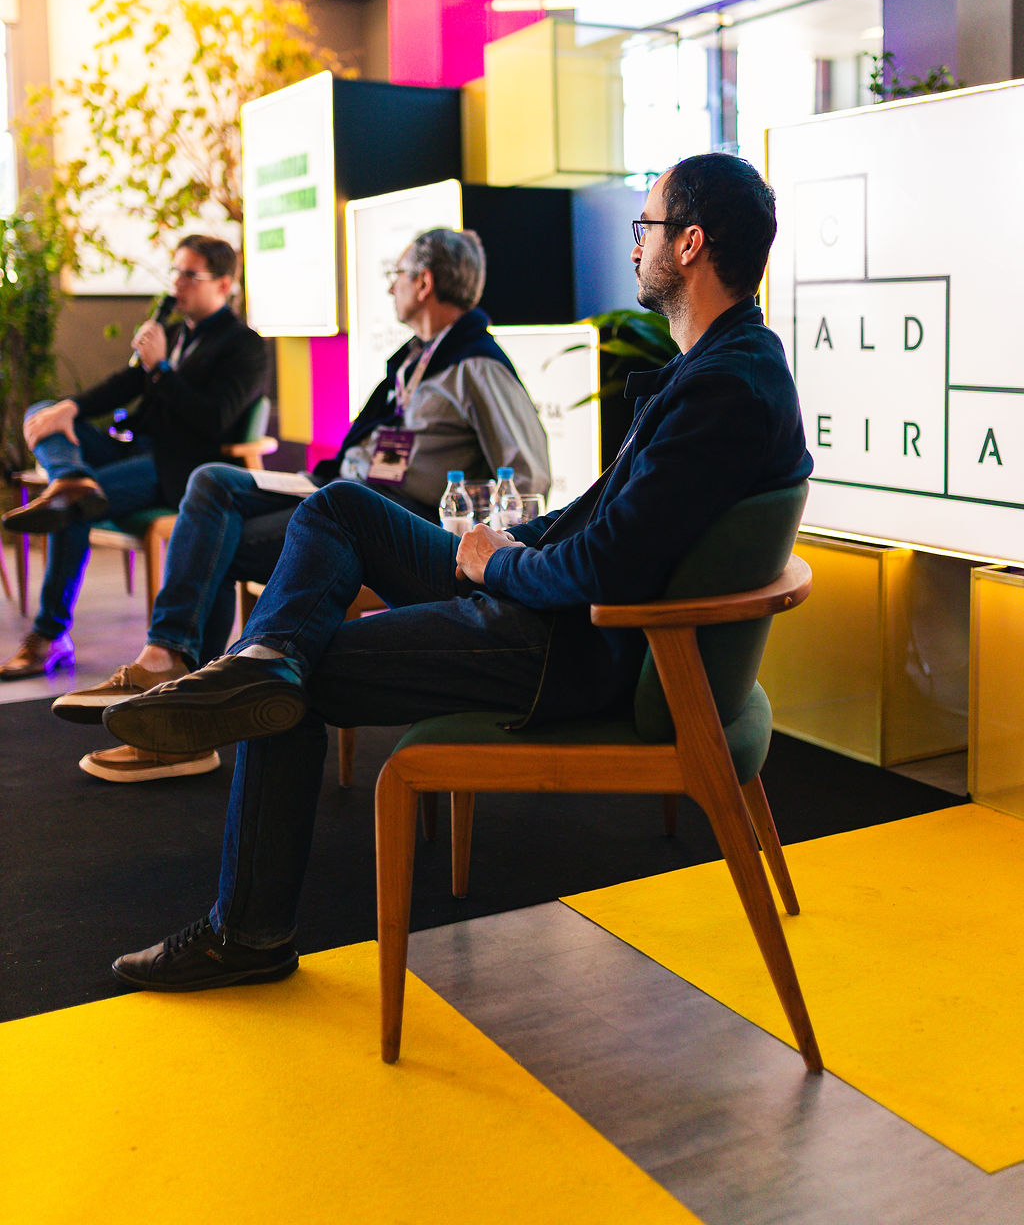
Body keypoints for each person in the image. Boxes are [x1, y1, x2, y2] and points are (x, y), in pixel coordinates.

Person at [102, 152, 812, 991]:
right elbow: (602, 523)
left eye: (646, 227)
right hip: (546, 604)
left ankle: (246, 927)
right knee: (340, 510)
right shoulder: (723, 366)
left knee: (299, 679)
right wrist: (502, 546)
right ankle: (260, 660)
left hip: (564, 642)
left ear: (689, 244)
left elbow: (611, 567)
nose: (634, 246)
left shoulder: (726, 389)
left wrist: (504, 566)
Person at [55, 226, 550, 782]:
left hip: (390, 518)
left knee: (212, 539)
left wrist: (477, 541)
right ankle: (170, 667)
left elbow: (526, 474)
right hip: (333, 489)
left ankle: (178, 709)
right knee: (211, 482)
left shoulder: (476, 364)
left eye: (397, 275)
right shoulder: (413, 361)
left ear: (424, 283)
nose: (390, 287)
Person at [1, 235, 266, 682]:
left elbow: (214, 418)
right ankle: (71, 478)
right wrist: (71, 408)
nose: (176, 284)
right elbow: (124, 385)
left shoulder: (245, 345)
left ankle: (49, 636)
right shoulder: (176, 333)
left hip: (180, 468)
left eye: (190, 275)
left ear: (224, 285)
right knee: (44, 414)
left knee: (75, 509)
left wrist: (161, 369)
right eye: (176, 272)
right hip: (134, 449)